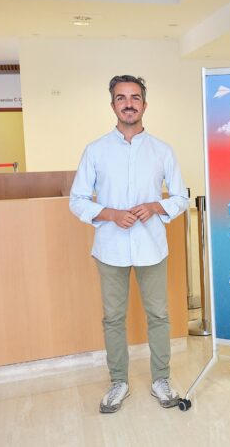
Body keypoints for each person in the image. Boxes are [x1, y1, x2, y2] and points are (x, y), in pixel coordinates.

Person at [70, 75, 189, 413]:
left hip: (152, 247)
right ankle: (118, 382)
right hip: (110, 248)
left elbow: (181, 197)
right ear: (113, 105)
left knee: (159, 315)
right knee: (113, 318)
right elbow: (77, 200)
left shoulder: (163, 150)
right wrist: (109, 214)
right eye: (121, 98)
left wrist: (155, 207)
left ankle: (161, 379)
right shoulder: (95, 150)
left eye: (135, 97)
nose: (128, 104)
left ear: (144, 105)